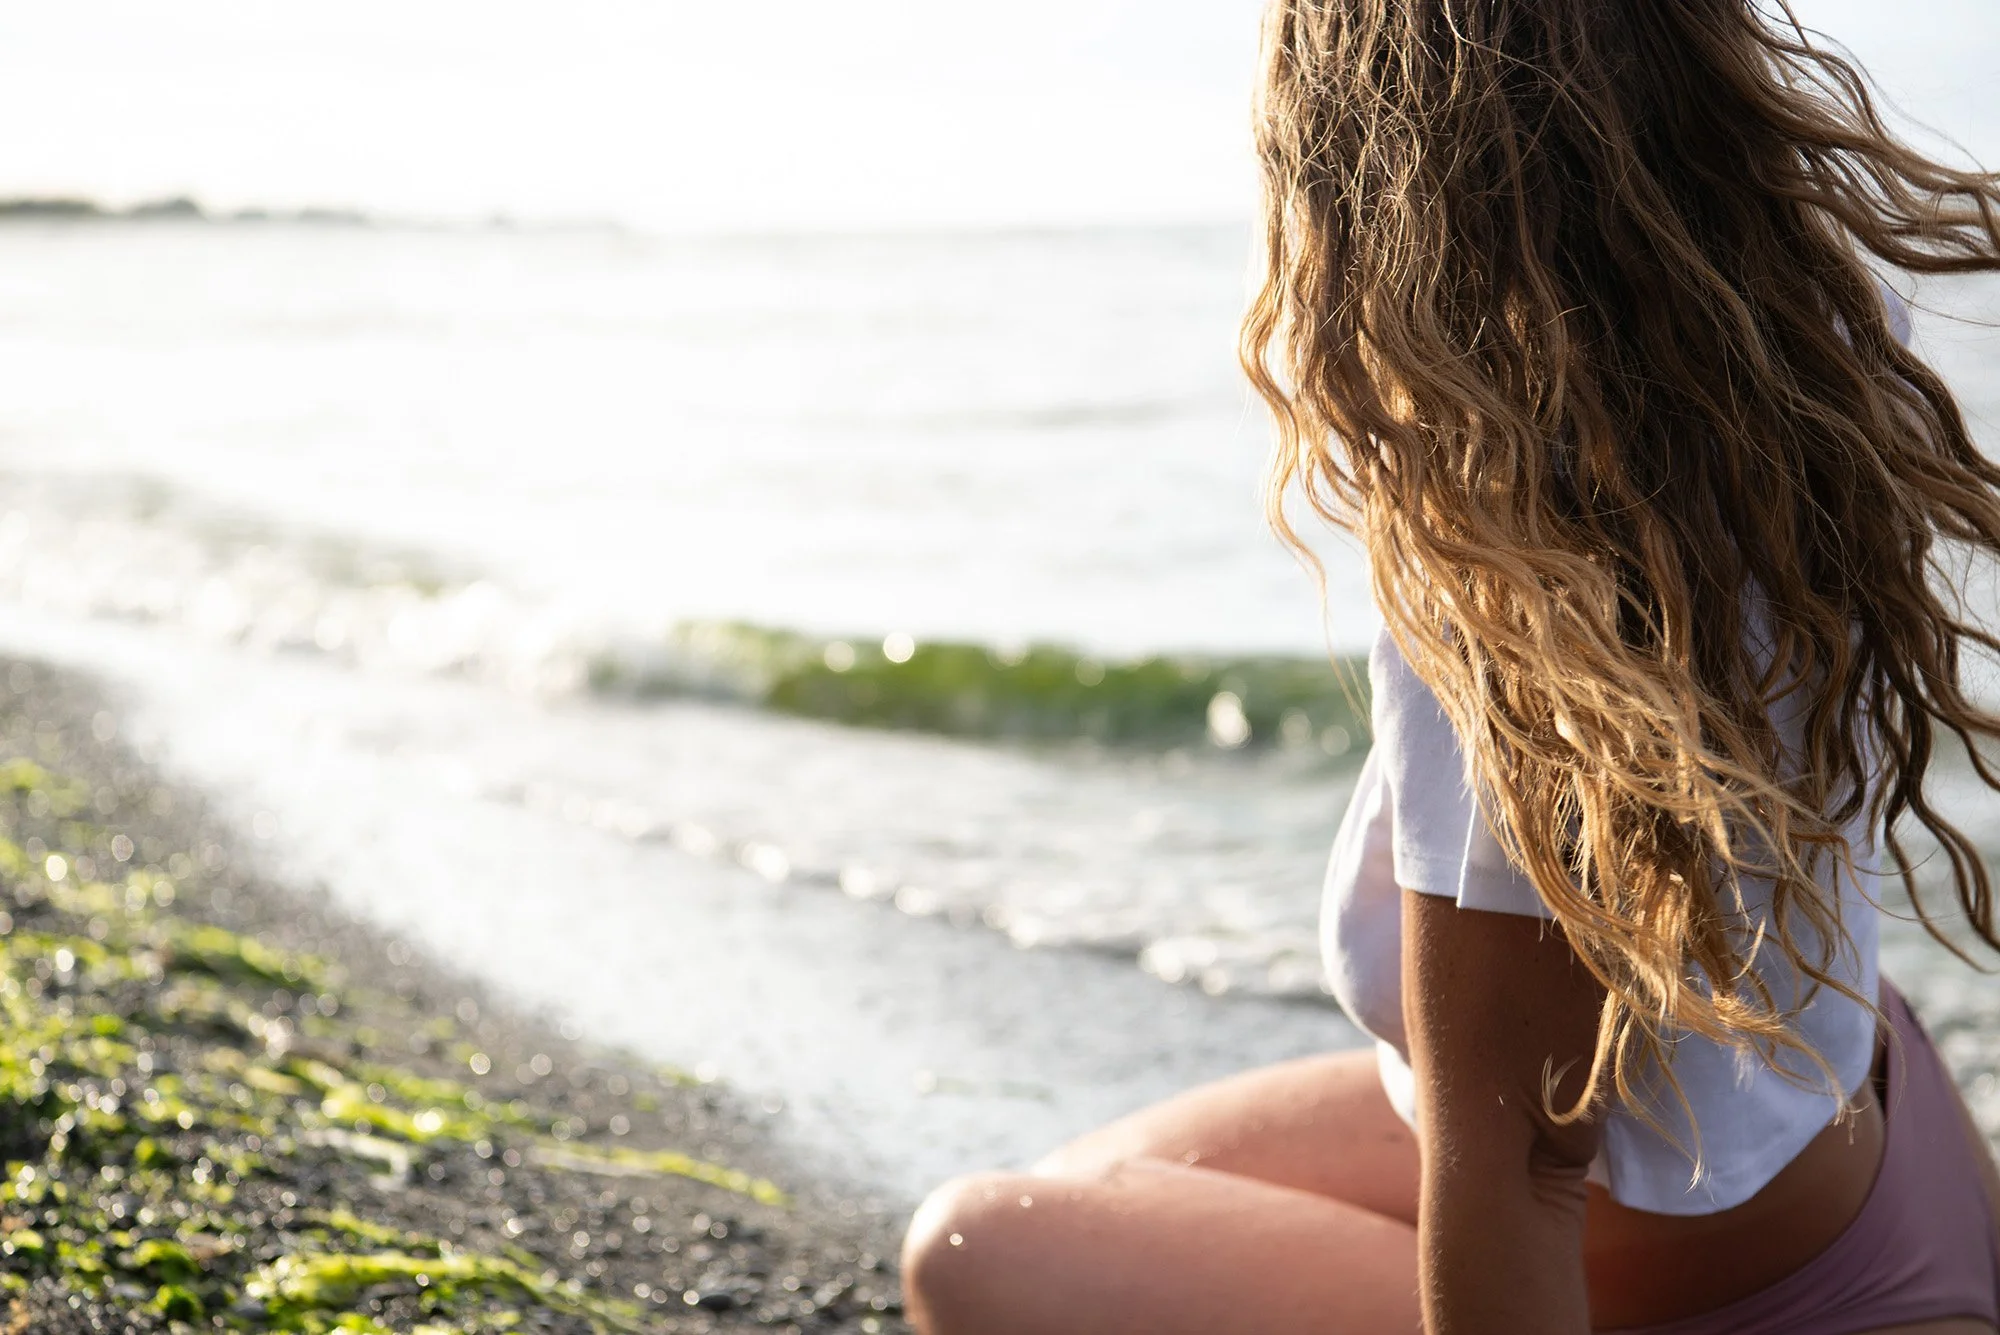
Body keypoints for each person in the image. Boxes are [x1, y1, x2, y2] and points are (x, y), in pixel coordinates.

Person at [898, 2, 2000, 1331]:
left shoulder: (1511, 556)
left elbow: (1525, 1158)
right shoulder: (1797, 330)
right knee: (1082, 1187)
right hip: (1883, 1132)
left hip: (1758, 1295)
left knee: (970, 1249)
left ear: (1365, 181)